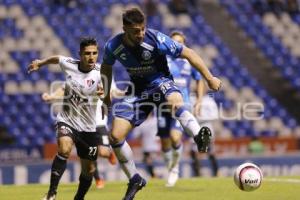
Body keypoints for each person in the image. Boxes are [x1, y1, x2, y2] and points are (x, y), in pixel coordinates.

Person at [100, 7, 221, 200]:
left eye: (142, 29)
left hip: (160, 83)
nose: (140, 34)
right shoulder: (113, 46)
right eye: (135, 31)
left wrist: (210, 77)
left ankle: (199, 135)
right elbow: (106, 67)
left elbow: (188, 53)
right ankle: (134, 179)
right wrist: (106, 94)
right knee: (115, 136)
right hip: (138, 91)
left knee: (175, 101)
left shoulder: (155, 38)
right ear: (125, 29)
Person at [28, 37, 103, 200]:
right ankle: (51, 193)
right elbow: (56, 58)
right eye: (87, 53)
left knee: (89, 170)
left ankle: (79, 198)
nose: (91, 57)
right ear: (80, 54)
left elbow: (106, 92)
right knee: (64, 149)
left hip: (88, 127)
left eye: (94, 53)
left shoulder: (101, 73)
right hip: (67, 120)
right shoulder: (70, 64)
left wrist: (103, 96)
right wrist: (40, 63)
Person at [41, 85, 117, 190]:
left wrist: (104, 95)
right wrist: (52, 96)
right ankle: (98, 178)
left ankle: (109, 154)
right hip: (85, 125)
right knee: (89, 154)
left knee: (103, 152)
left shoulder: (101, 78)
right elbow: (63, 88)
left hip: (100, 124)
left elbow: (109, 95)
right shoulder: (76, 78)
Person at [156, 31, 203, 187]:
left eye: (179, 42)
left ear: (184, 44)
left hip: (182, 105)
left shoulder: (189, 60)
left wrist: (199, 100)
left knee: (175, 138)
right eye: (174, 41)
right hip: (163, 105)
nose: (176, 44)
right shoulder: (163, 59)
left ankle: (174, 169)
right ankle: (170, 167)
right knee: (164, 142)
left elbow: (199, 79)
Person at [132, 112, 160, 178]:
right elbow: (136, 135)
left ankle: (154, 176)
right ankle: (154, 176)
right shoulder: (142, 123)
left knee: (149, 161)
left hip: (154, 146)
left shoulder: (155, 120)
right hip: (146, 146)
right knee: (147, 162)